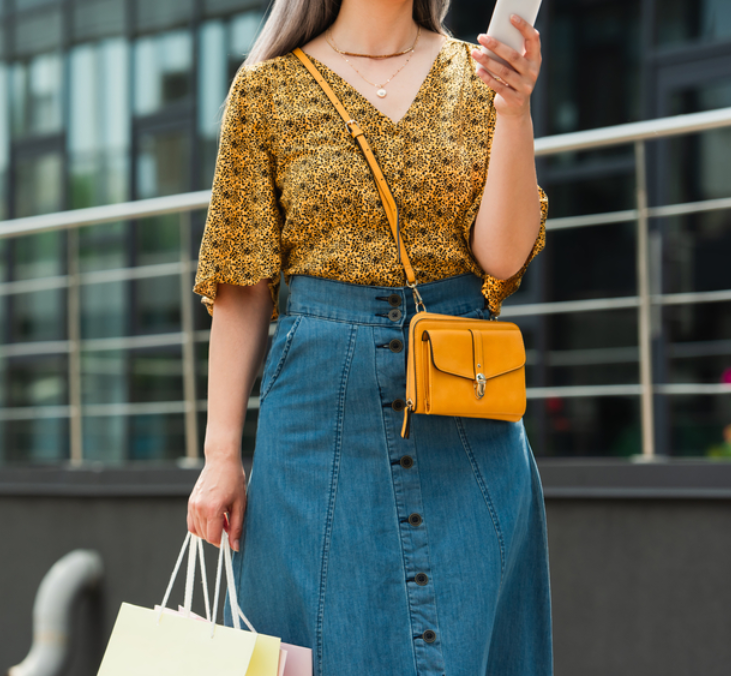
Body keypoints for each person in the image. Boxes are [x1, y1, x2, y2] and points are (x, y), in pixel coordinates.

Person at [185, 0, 553, 674]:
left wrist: (515, 112)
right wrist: (220, 456)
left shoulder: (475, 76)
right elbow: (241, 285)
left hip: (463, 415)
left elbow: (502, 258)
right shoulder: (266, 90)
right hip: (319, 416)